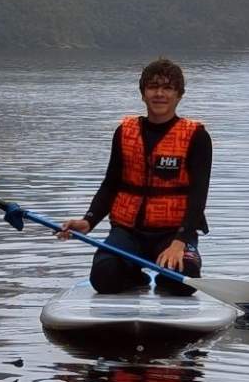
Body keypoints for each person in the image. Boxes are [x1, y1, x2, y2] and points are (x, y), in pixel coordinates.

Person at [56, 58, 211, 296]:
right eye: (153, 87)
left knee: (183, 280)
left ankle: (167, 276)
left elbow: (198, 197)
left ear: (179, 95)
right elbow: (111, 183)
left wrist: (180, 242)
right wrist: (88, 221)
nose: (159, 94)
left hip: (173, 232)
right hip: (128, 232)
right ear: (143, 93)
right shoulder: (124, 132)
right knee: (104, 277)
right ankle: (135, 277)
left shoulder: (197, 137)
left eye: (167, 88)